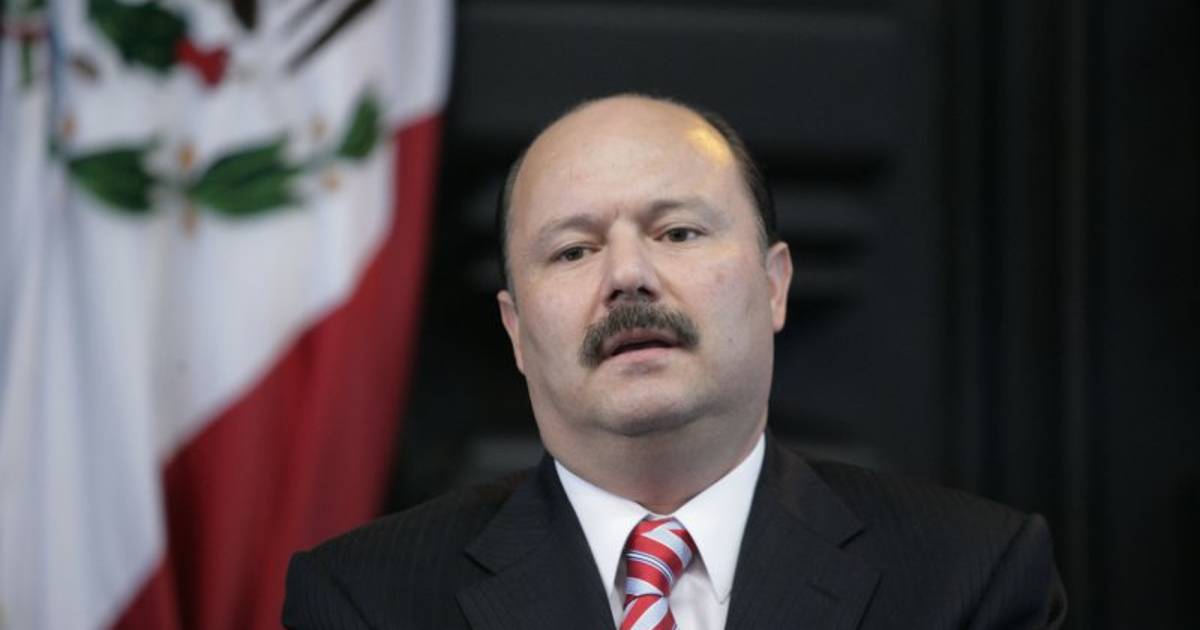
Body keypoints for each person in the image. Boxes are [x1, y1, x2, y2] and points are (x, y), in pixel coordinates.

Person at [282, 94, 1067, 629]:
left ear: (774, 286)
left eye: (678, 233)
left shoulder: (971, 577)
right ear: (516, 331)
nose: (628, 274)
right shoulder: (365, 600)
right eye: (574, 250)